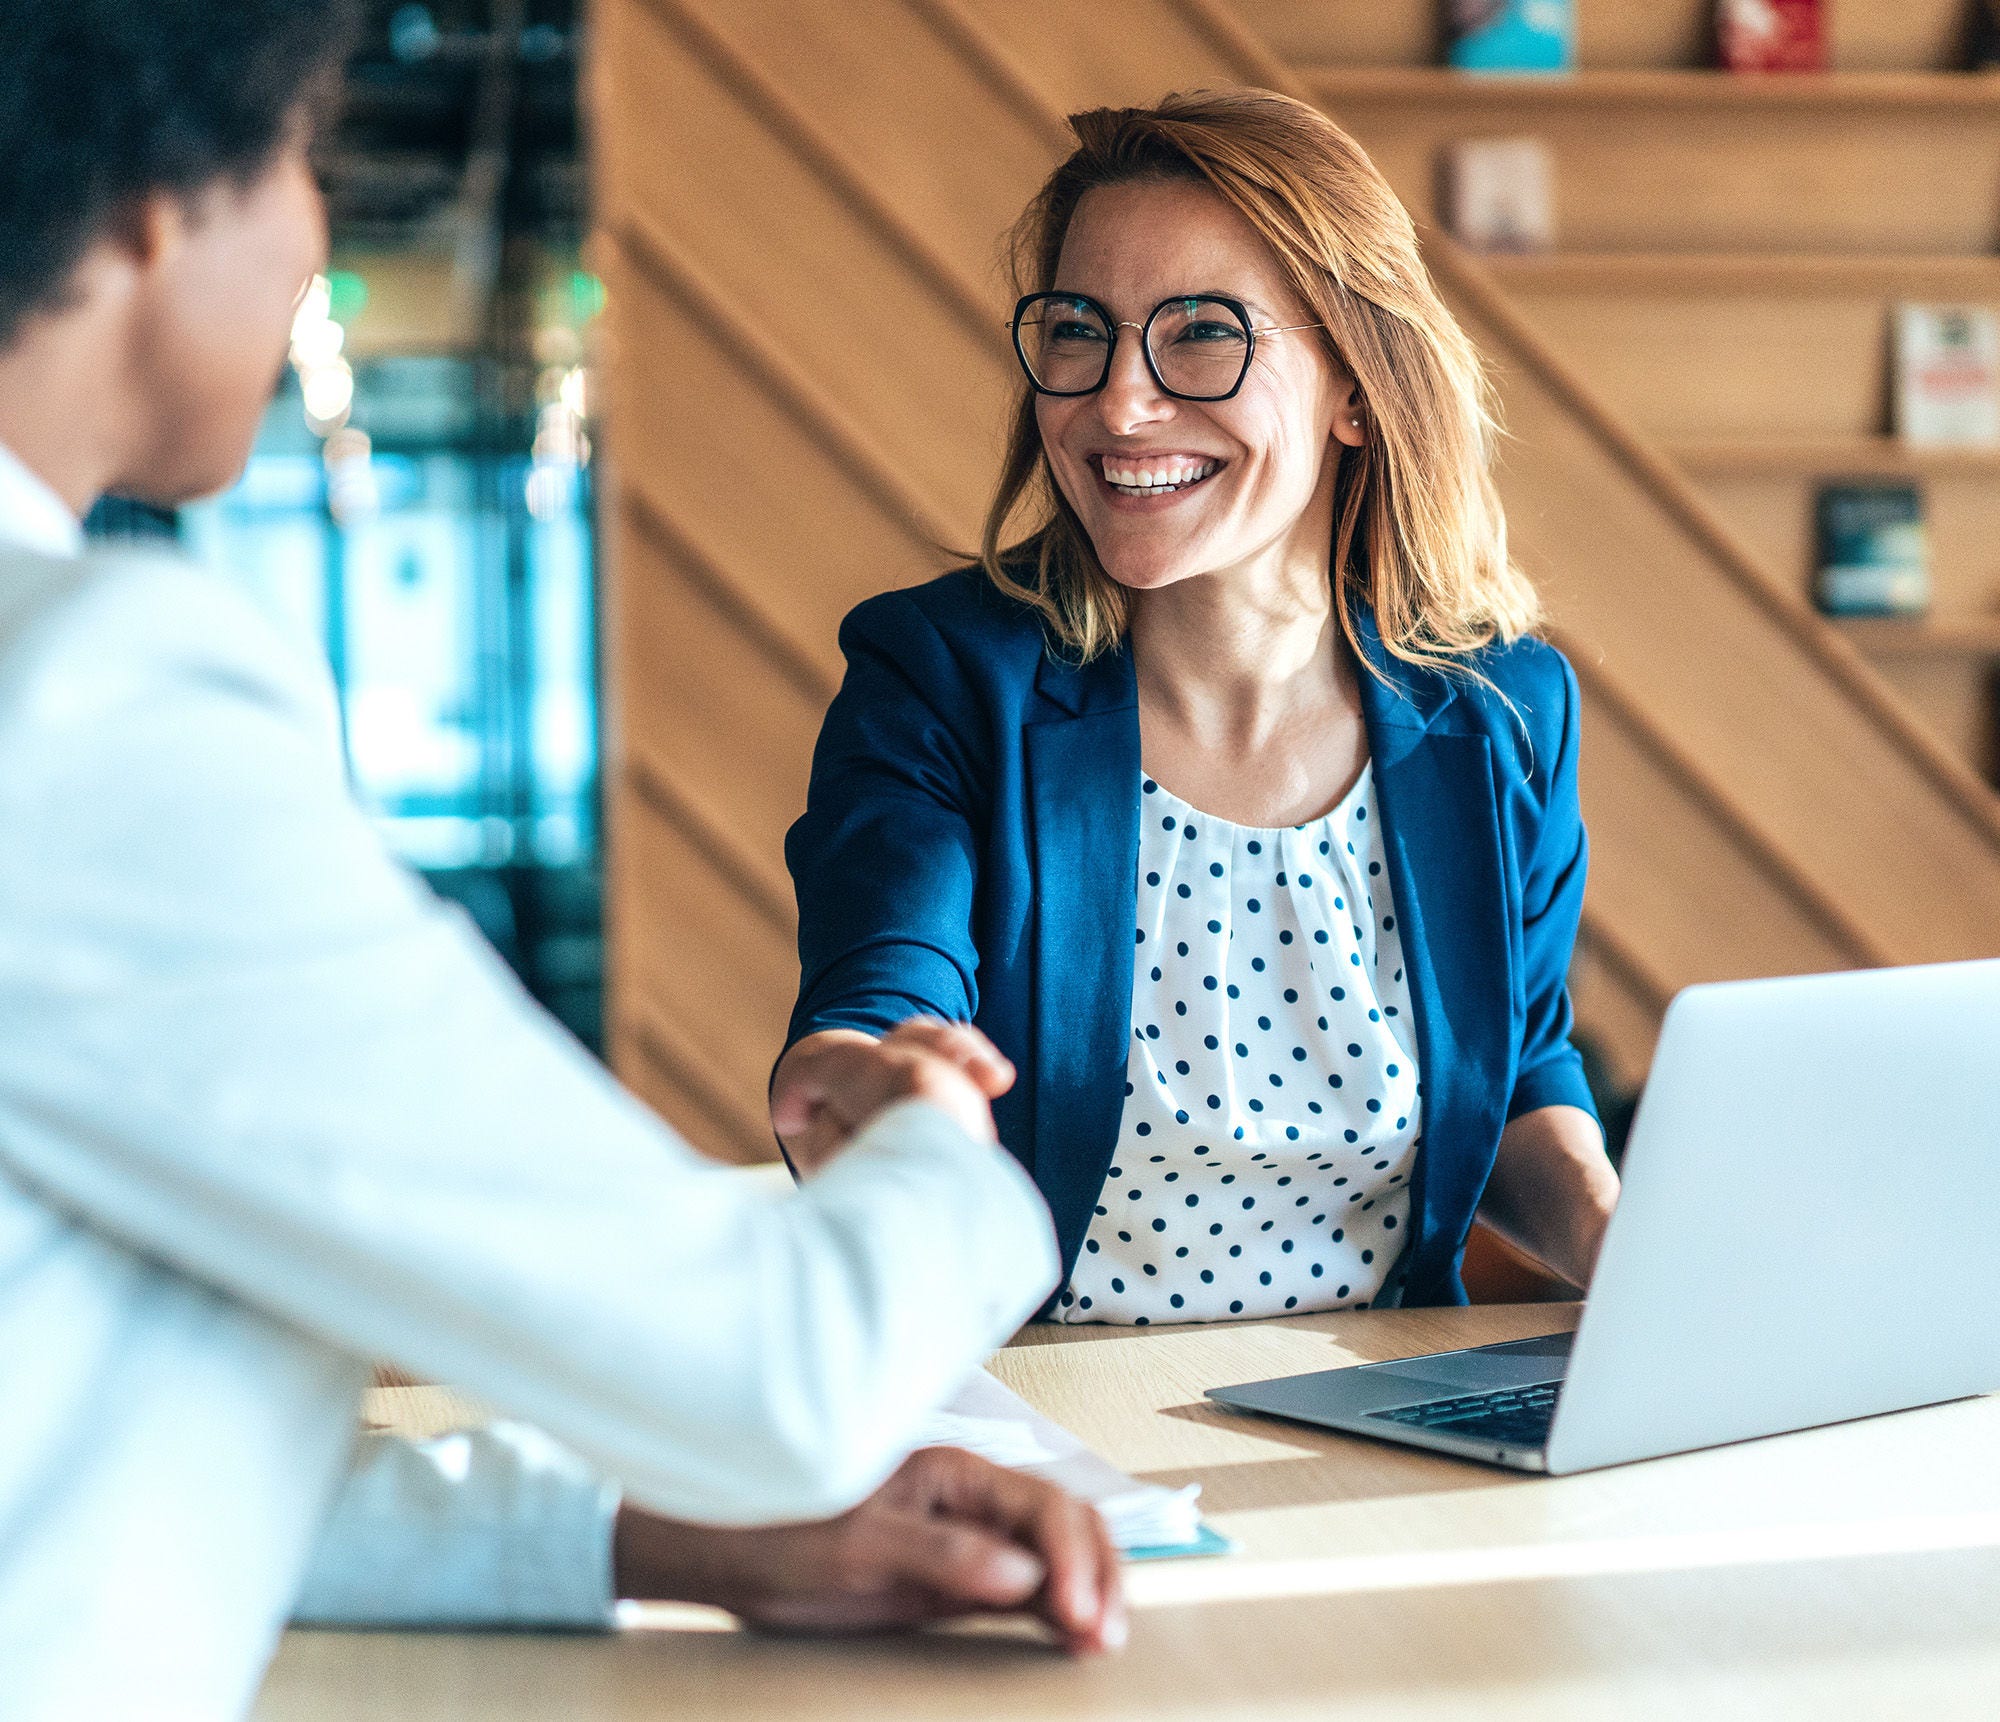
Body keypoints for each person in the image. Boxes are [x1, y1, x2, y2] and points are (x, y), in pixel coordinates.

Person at [0, 4, 1122, 1717]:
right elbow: (782, 1371)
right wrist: (942, 1146)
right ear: (156, 200)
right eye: (304, 156)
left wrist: (662, 1538)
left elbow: (60, 1454)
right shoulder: (83, 701)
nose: (315, 232)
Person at [773, 90, 1621, 1327]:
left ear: (1355, 387)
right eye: (1079, 332)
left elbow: (1521, 1066)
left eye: (1204, 335)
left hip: (1381, 1412)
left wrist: (1616, 1236)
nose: (1118, 405)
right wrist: (864, 1085)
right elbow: (877, 997)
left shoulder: (1503, 707)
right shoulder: (941, 674)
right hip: (1040, 1416)